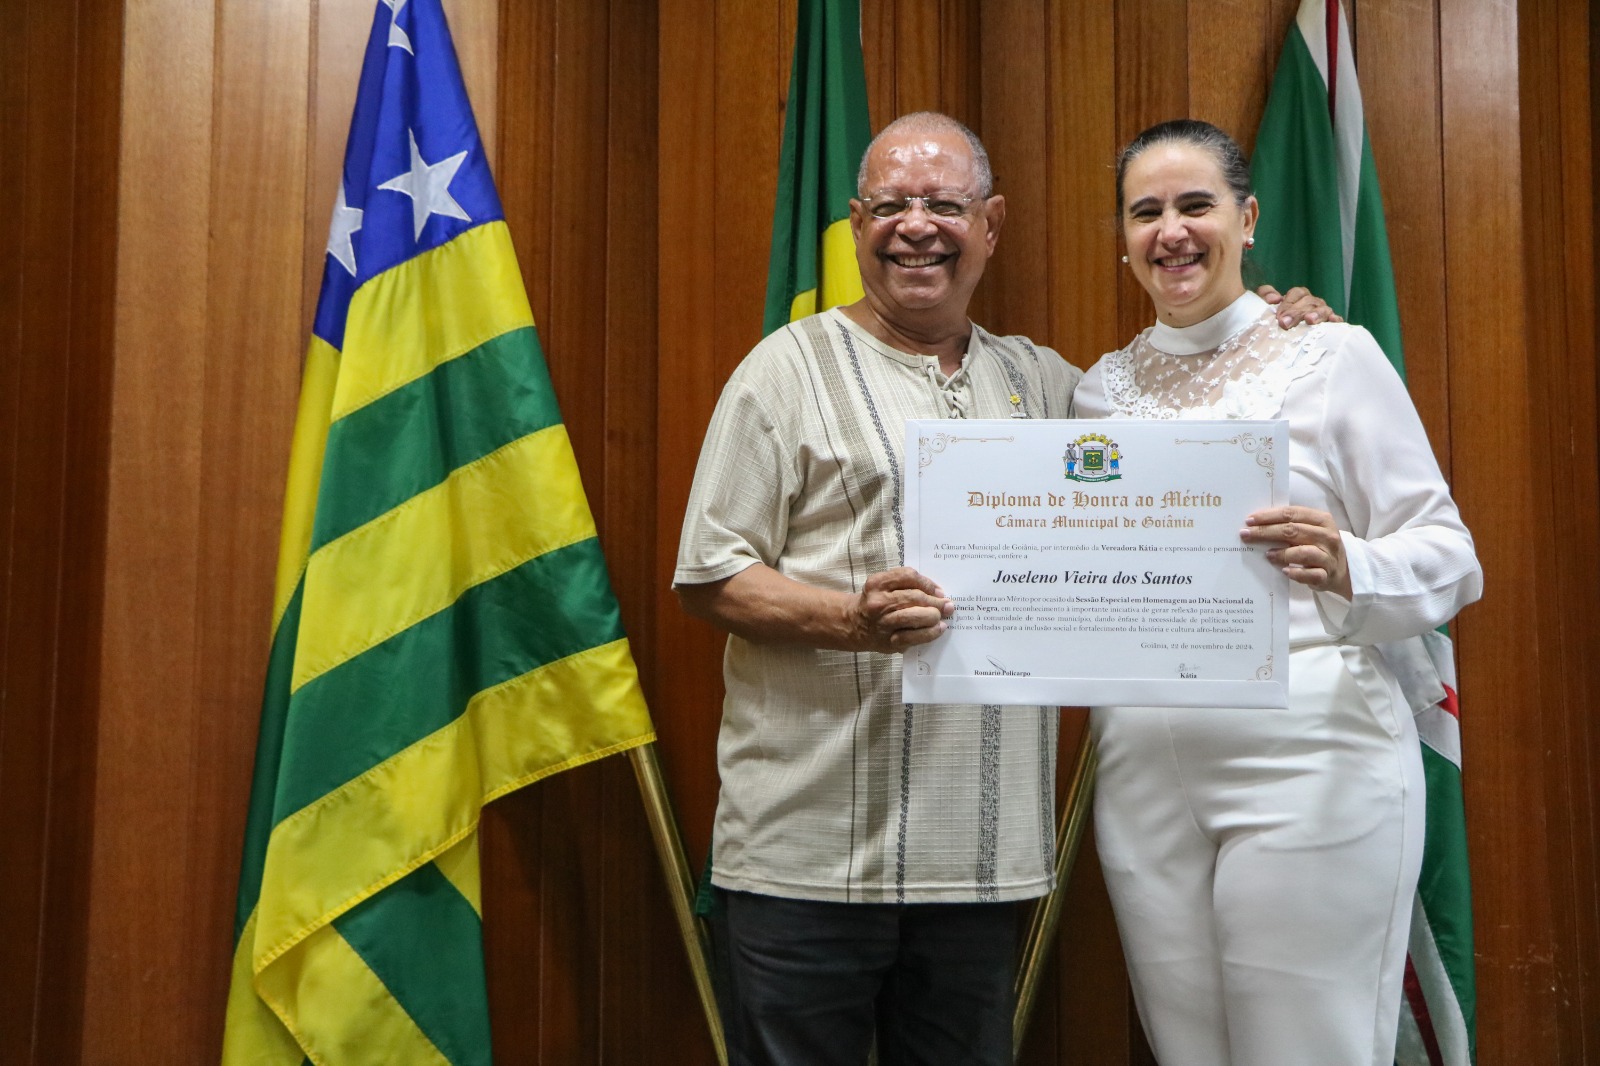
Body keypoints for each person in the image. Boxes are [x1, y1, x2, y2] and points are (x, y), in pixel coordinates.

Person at [674, 111, 1330, 1066]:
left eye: (945, 204)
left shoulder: (1051, 387)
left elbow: (1178, 435)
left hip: (980, 868)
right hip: (805, 862)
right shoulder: (783, 371)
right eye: (891, 205)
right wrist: (851, 619)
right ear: (857, 224)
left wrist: (1273, 327)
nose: (916, 225)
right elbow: (711, 575)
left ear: (991, 224)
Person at [1072, 119, 1483, 1066]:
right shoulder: (1097, 394)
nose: (1172, 231)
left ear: (1248, 219)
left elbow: (1451, 555)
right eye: (1146, 212)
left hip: (1311, 757)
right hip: (1142, 771)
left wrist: (1349, 563)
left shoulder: (1331, 357)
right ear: (1124, 237)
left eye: (1196, 205)